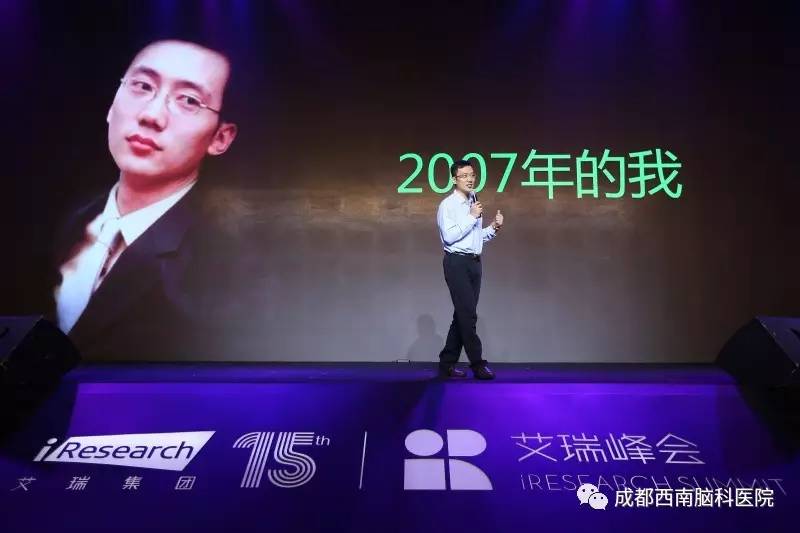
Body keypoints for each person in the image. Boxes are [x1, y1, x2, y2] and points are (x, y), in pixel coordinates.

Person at [50, 39, 242, 360]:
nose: (151, 115)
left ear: (220, 138)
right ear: (112, 105)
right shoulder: (65, 225)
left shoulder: (226, 267)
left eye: (189, 100)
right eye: (142, 86)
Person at [436, 160, 504, 379]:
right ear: (454, 179)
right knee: (468, 315)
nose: (470, 179)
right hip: (456, 263)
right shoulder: (448, 205)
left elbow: (475, 237)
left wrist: (492, 228)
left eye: (472, 175)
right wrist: (472, 216)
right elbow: (450, 237)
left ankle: (446, 364)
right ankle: (477, 364)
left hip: (474, 263)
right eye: (464, 176)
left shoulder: (474, 202)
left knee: (462, 315)